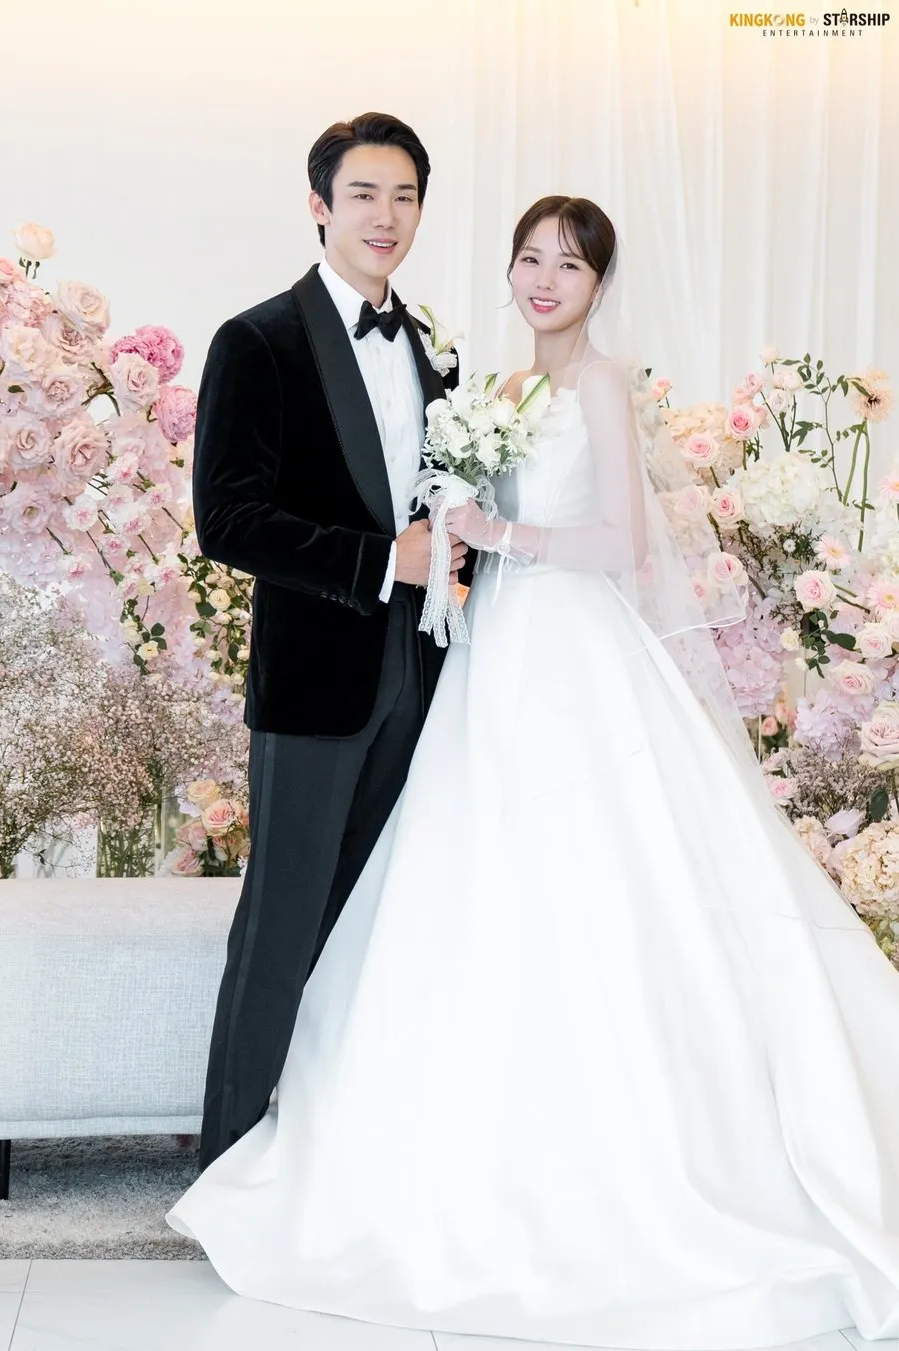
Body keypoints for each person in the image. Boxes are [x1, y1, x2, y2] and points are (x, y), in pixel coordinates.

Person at [170, 196, 899, 1348]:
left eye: (570, 263)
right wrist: (452, 533)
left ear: (601, 283)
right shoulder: (490, 386)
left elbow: (623, 545)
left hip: (571, 656)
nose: (545, 279)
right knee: (463, 880)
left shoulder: (600, 386)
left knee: (586, 885)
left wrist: (494, 535)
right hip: (483, 659)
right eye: (529, 258)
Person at [192, 111, 469, 1171]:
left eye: (403, 196)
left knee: (374, 927)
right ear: (319, 205)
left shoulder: (433, 346)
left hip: (425, 670)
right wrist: (380, 561)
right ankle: (226, 1166)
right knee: (282, 927)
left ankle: (327, 1164)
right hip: (316, 681)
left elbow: (444, 500)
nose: (384, 216)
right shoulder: (257, 340)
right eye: (363, 195)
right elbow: (229, 520)